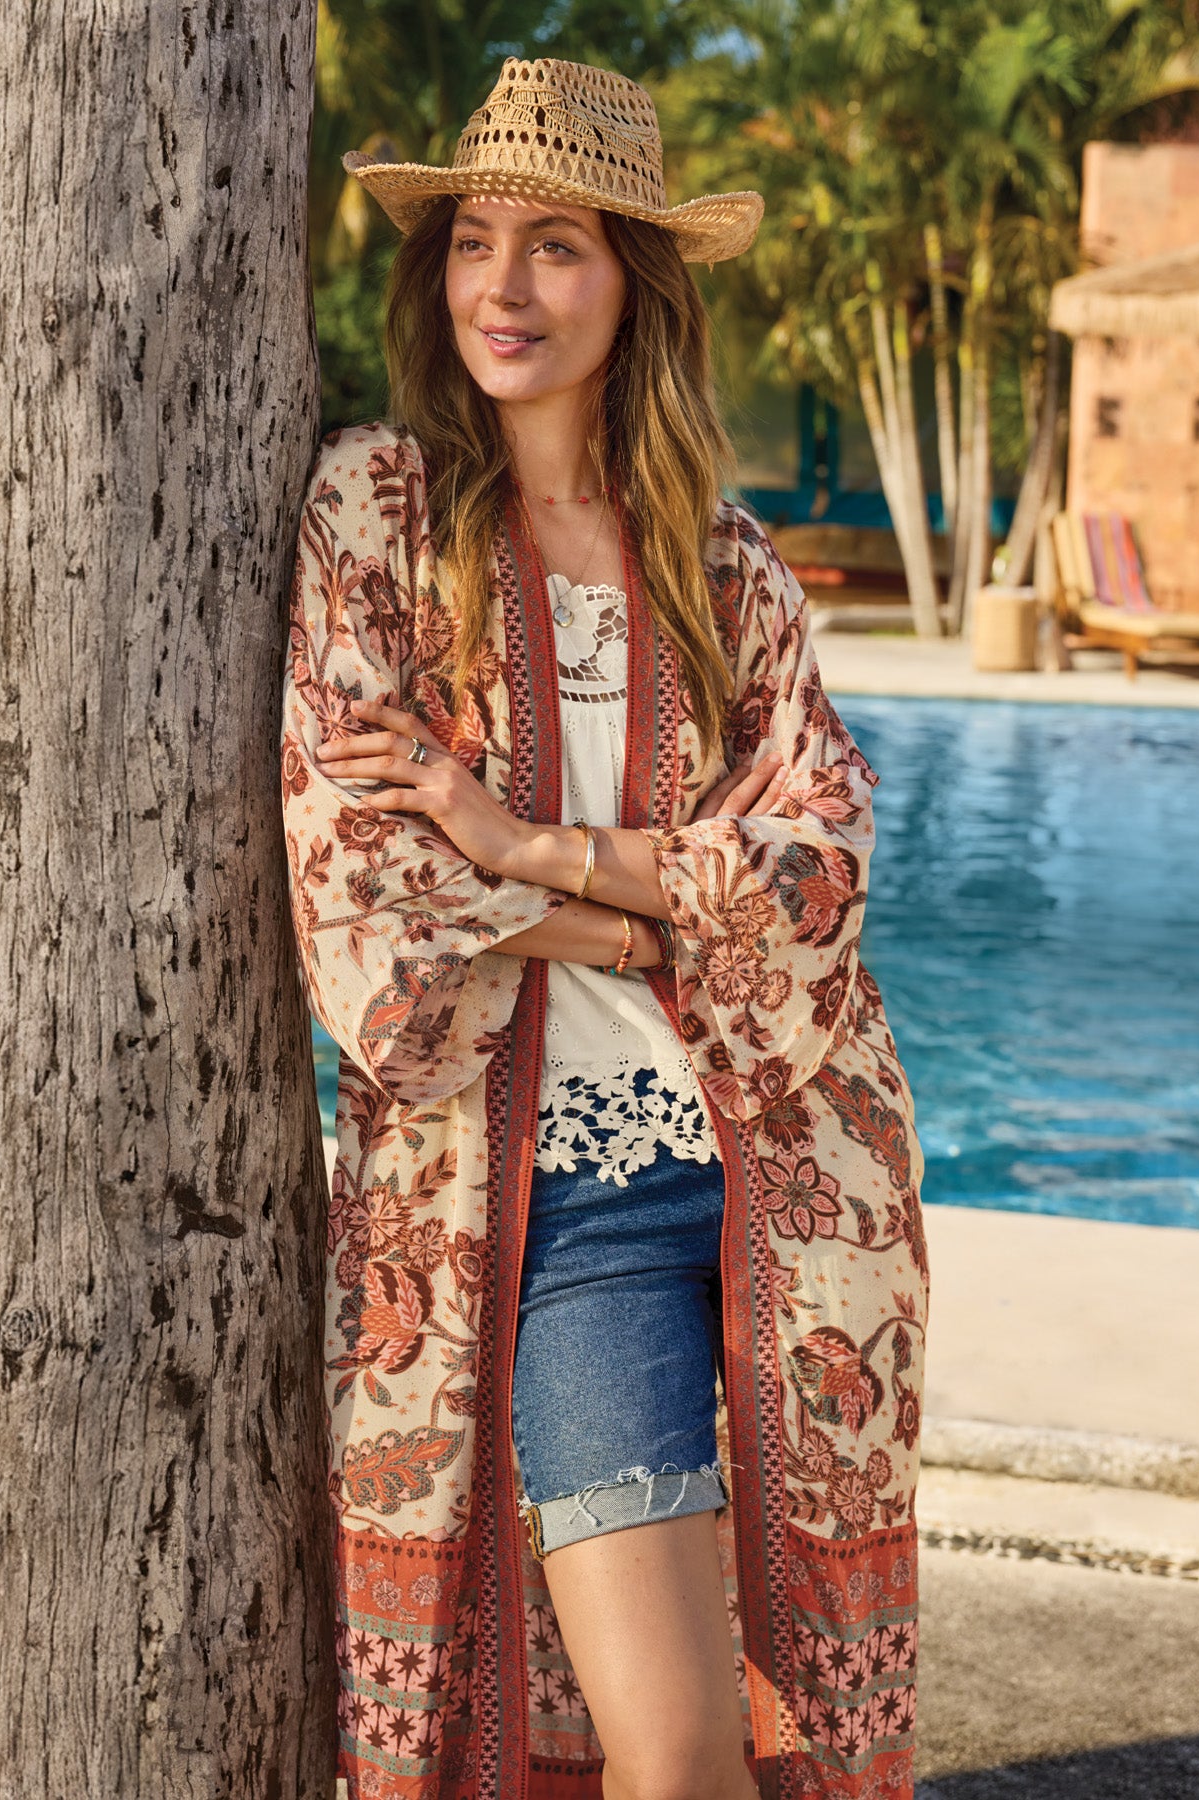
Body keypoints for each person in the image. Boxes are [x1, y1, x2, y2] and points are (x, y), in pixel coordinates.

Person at [282, 56, 929, 1800]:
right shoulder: (377, 517)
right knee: (682, 1758)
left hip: (796, 1194)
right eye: (474, 241)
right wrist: (654, 915)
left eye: (555, 246)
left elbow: (819, 872)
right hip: (571, 1215)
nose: (502, 287)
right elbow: (365, 890)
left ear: (633, 282)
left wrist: (516, 841)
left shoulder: (726, 568)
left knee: (797, 1732)